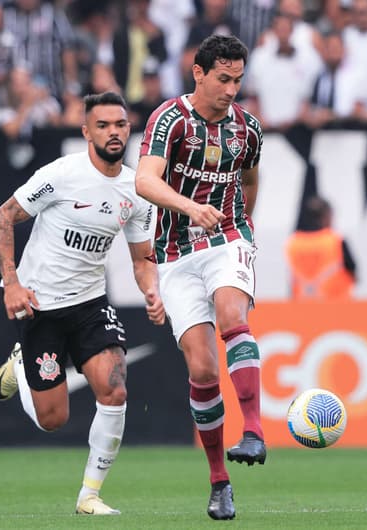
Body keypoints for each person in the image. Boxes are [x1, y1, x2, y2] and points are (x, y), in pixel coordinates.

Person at [0, 92, 164, 515]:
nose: (113, 132)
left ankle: (89, 495)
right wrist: (10, 283)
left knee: (115, 388)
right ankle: (21, 365)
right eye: (102, 125)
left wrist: (152, 289)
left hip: (89, 303)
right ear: (86, 132)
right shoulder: (62, 174)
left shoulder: (137, 188)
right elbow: (3, 217)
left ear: (129, 129)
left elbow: (141, 257)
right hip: (39, 304)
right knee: (53, 420)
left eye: (120, 124)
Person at [135, 34, 264, 520]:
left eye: (238, 80)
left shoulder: (247, 129)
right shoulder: (170, 119)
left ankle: (252, 430)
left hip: (228, 238)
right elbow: (144, 180)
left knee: (233, 314)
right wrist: (191, 208)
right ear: (199, 73)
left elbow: (250, 179)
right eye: (223, 79)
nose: (231, 90)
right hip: (174, 253)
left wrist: (241, 229)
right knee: (203, 370)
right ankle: (219, 480)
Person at [285, 196, 356, 299]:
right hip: (337, 307)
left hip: (303, 307)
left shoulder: (293, 243)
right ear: (325, 217)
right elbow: (353, 272)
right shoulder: (336, 241)